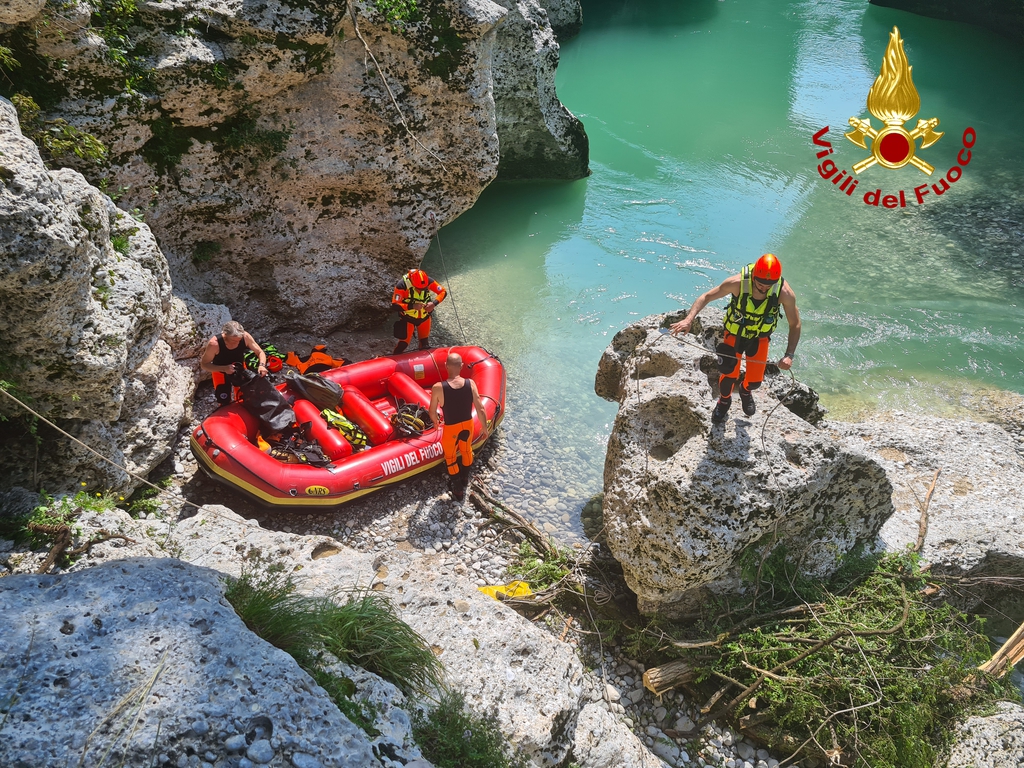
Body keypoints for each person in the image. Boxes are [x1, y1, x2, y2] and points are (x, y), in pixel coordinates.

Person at [670, 253, 801, 424]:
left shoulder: (784, 293)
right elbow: (706, 297)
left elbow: (795, 324)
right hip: (734, 334)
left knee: (755, 382)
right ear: (754, 277)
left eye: (769, 285)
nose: (763, 289)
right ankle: (724, 401)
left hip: (759, 338)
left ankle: (746, 391)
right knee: (728, 376)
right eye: (760, 284)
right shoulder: (737, 284)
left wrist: (789, 354)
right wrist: (688, 320)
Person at [428, 352, 488, 501]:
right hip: (468, 425)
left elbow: (432, 411)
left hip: (451, 428)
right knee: (467, 450)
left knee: (450, 457)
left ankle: (457, 489)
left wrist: (435, 422)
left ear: (446, 367)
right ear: (461, 366)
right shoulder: (470, 383)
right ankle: (465, 478)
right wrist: (485, 428)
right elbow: (480, 409)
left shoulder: (437, 387)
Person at [199, 321, 268, 406]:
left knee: (244, 397)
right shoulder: (214, 344)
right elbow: (204, 364)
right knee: (224, 400)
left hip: (240, 369)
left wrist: (262, 365)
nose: (237, 343)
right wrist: (224, 368)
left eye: (239, 340)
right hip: (220, 372)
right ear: (225, 336)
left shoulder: (245, 337)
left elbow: (260, 352)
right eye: (233, 340)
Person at [392, 268, 447, 354]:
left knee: (424, 343)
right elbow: (395, 305)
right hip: (407, 319)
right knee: (403, 344)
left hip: (425, 318)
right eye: (418, 288)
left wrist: (433, 304)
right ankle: (394, 359)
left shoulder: (428, 281)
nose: (421, 290)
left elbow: (443, 292)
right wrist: (412, 306)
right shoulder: (401, 285)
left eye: (424, 288)